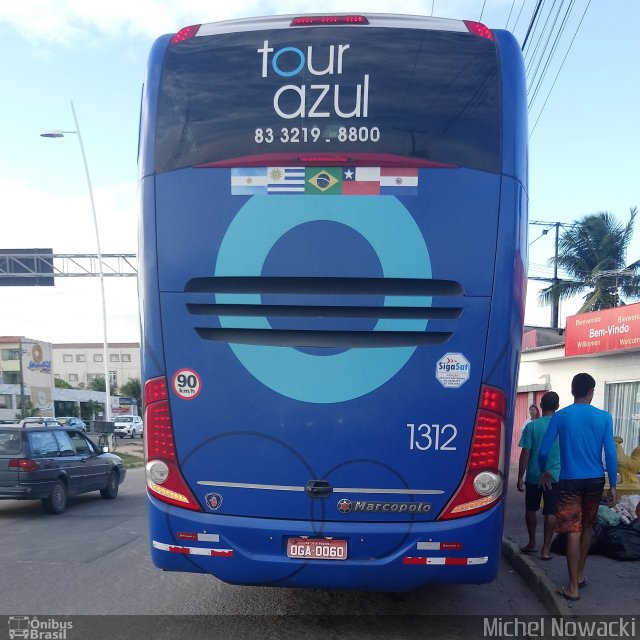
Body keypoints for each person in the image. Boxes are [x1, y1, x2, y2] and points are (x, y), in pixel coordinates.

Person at [539, 373, 618, 602]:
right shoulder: (604, 417)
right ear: (591, 391)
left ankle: (572, 586)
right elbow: (610, 454)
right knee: (586, 526)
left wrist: (544, 470)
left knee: (572, 529)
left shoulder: (560, 416)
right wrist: (612, 485)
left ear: (573, 391)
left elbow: (544, 451)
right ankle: (580, 575)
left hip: (570, 480)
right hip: (595, 480)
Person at [517, 391, 560, 560]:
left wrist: (521, 476)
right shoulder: (561, 427)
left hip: (535, 475)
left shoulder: (532, 426)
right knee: (551, 511)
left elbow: (525, 452)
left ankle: (532, 542)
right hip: (554, 476)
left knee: (531, 508)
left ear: (541, 405)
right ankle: (546, 549)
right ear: (557, 407)